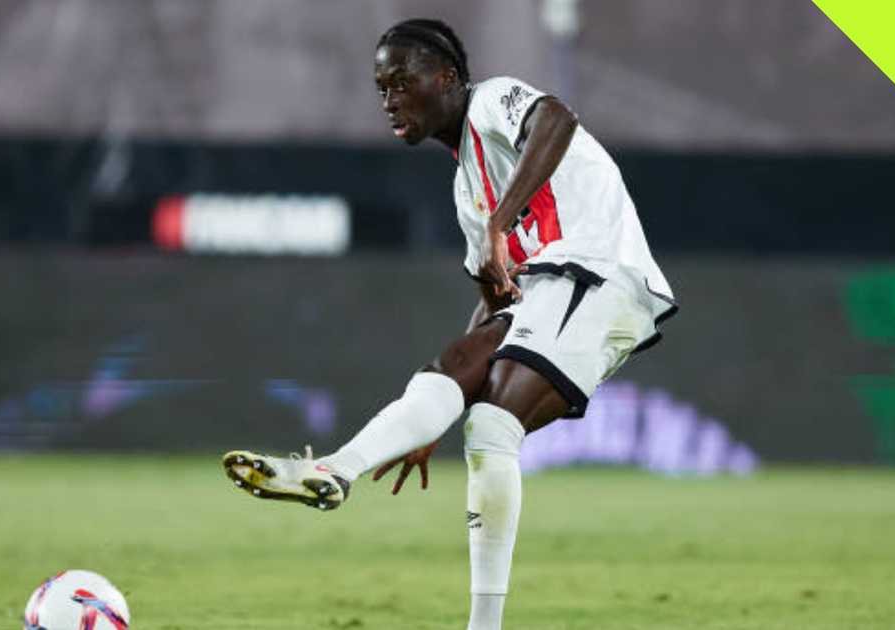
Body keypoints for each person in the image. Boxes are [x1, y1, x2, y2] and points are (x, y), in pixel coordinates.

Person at [222, 18, 677, 630]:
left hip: (601, 273)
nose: (390, 99)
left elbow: (558, 119)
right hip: (549, 288)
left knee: (494, 426)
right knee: (459, 390)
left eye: (402, 81)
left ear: (448, 79)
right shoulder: (467, 187)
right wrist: (434, 413)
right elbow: (493, 304)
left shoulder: (491, 100)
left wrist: (500, 222)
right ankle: (332, 470)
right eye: (381, 87)